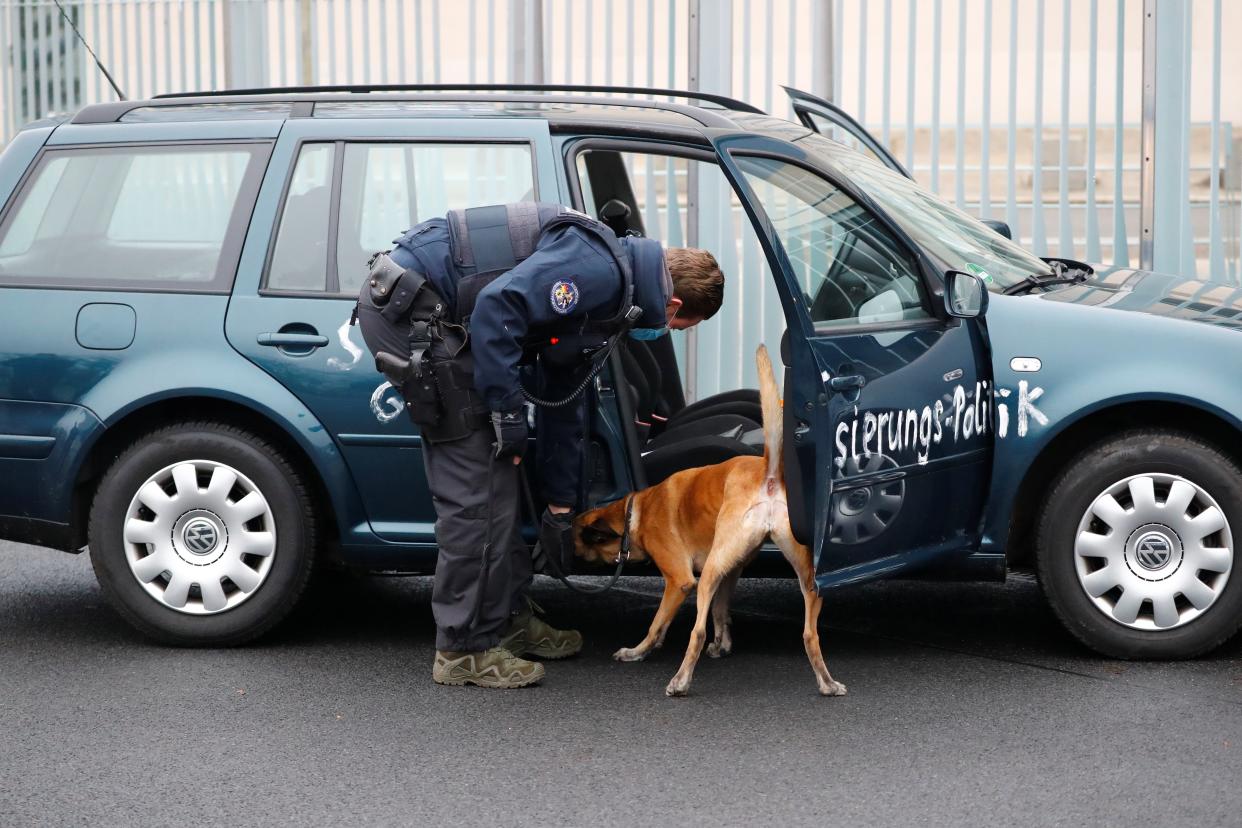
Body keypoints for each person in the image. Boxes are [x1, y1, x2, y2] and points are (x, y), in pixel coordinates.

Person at [354, 202, 724, 689]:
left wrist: (560, 503)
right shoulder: (597, 271)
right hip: (413, 314)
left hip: (445, 316)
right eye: (679, 328)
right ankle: (464, 649)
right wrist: (506, 411)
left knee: (504, 475)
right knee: (477, 494)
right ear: (673, 307)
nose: (665, 334)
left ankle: (504, 617)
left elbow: (561, 391)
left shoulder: (615, 287)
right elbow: (496, 307)